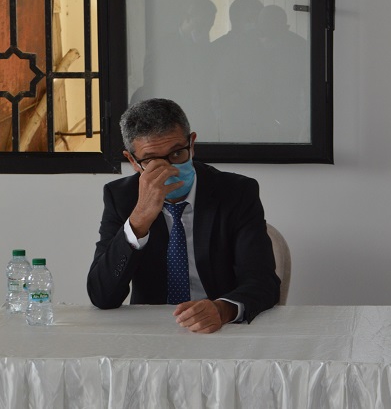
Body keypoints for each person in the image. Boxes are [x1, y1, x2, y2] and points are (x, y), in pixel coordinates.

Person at [87, 98, 281, 333]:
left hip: (220, 327)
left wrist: (222, 309)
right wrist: (138, 220)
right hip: (151, 330)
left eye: (177, 153)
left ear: (192, 144)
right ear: (133, 161)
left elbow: (263, 282)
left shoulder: (236, 192)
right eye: (152, 160)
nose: (169, 168)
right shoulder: (121, 198)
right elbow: (102, 295)